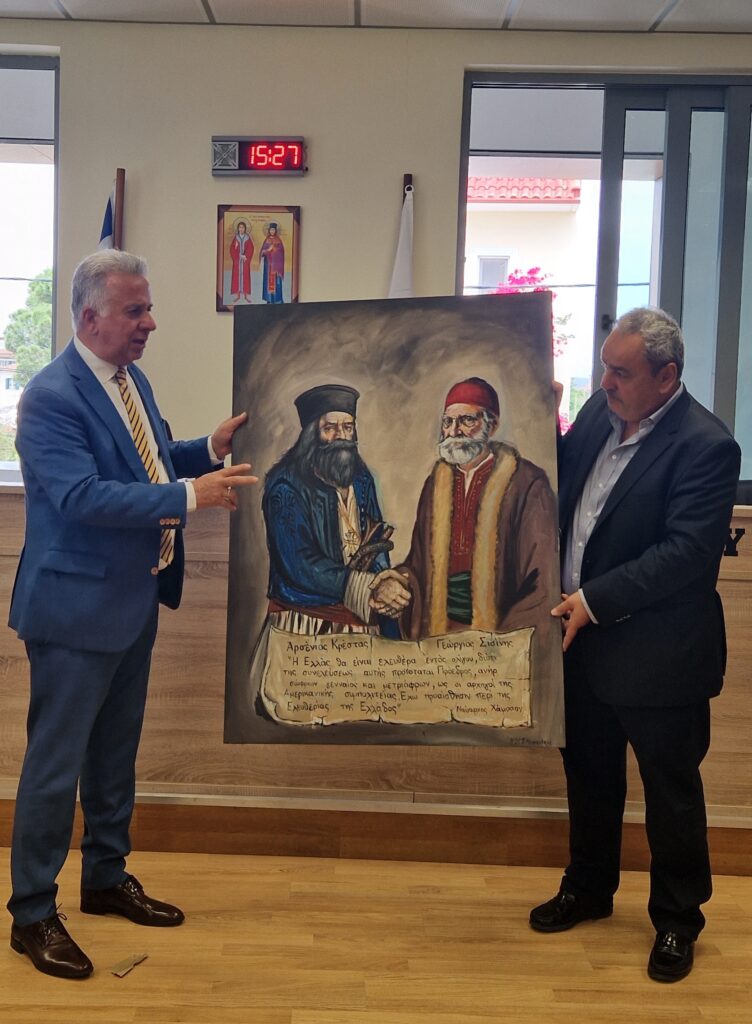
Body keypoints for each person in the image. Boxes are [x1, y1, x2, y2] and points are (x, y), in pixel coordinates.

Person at [7, 250, 257, 979]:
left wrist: (204, 450)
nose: (150, 323)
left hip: (130, 601)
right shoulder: (49, 397)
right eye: (135, 311)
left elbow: (147, 463)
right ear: (90, 318)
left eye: (147, 308)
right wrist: (191, 497)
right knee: (55, 767)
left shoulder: (128, 379)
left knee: (114, 756)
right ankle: (32, 913)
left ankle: (105, 878)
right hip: (72, 612)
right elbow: (81, 496)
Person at [529, 308, 741, 983]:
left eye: (620, 372)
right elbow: (565, 482)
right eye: (604, 367)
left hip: (658, 654)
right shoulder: (600, 411)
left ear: (666, 376)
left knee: (669, 793)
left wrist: (593, 599)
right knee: (589, 778)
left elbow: (686, 555)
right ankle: (589, 888)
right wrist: (544, 424)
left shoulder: (707, 446)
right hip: (579, 643)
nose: (604, 382)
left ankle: (678, 920)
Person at [399, 377, 558, 641]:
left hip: (498, 635)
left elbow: (541, 580)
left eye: (466, 420)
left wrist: (501, 641)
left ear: (491, 425)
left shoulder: (527, 483)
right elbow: (418, 565)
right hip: (438, 635)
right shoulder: (434, 484)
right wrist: (398, 582)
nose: (454, 431)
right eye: (448, 422)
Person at [258, 383, 408, 640]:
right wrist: (368, 587)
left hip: (362, 619)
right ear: (311, 435)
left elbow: (376, 544)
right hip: (305, 623)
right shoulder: (285, 486)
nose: (341, 436)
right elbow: (299, 566)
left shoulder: (362, 479)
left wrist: (385, 582)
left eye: (348, 427)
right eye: (330, 428)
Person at [259, 222, 285, 304]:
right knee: (268, 282)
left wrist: (274, 251)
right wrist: (268, 250)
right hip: (268, 265)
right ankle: (269, 299)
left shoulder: (278, 240)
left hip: (276, 266)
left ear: (275, 230)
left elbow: (281, 252)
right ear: (269, 230)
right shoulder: (267, 240)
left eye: (273, 230)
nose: (272, 231)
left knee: (276, 283)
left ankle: (277, 300)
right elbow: (262, 252)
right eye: (271, 230)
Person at [229, 220, 253, 302]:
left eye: (243, 227)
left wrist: (245, 256)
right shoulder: (236, 238)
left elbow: (251, 248)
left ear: (245, 229)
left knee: (245, 278)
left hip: (245, 262)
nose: (241, 229)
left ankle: (246, 296)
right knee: (237, 278)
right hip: (237, 261)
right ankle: (238, 296)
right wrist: (238, 255)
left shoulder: (247, 238)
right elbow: (232, 249)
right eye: (240, 227)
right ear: (238, 228)